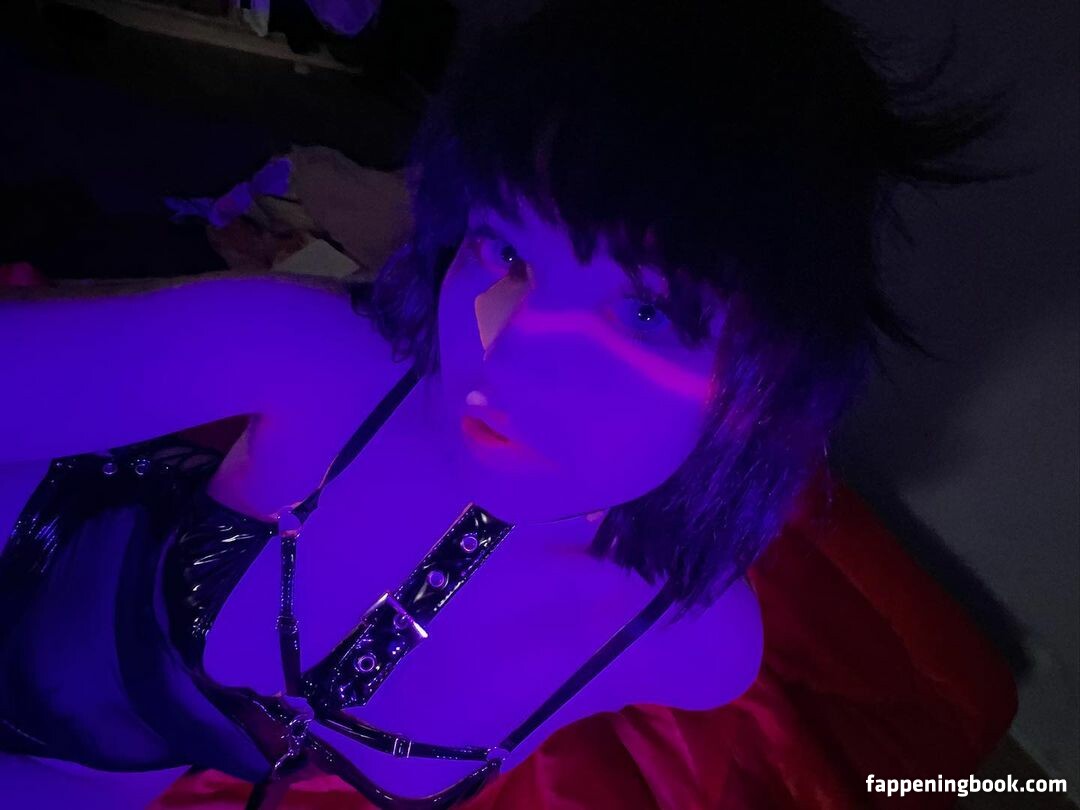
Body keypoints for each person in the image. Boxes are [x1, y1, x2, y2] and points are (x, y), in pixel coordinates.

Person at [0, 0, 1012, 807]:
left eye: (648, 309)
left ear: (770, 377)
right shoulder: (309, 355)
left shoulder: (699, 650)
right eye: (507, 249)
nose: (505, 356)